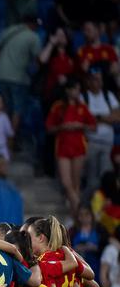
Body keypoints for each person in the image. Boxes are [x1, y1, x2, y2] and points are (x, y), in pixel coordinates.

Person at [46, 79, 97, 214]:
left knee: (76, 184)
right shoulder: (58, 106)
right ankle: (82, 212)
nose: (77, 92)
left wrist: (81, 126)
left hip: (79, 147)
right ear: (68, 90)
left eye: (78, 89)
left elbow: (93, 126)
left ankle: (76, 216)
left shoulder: (82, 106)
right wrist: (62, 127)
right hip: (63, 147)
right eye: (75, 89)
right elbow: (49, 128)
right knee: (66, 183)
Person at [0, 15, 42, 134]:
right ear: (33, 24)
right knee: (17, 109)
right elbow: (39, 60)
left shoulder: (10, 30)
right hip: (19, 78)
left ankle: (1, 136)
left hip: (1, 74)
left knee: (4, 107)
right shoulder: (33, 36)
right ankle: (11, 139)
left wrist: (0, 62)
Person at [84, 69, 120, 191]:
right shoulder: (83, 97)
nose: (98, 82)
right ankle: (87, 207)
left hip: (107, 144)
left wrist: (98, 117)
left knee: (106, 178)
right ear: (88, 81)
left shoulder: (108, 95)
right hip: (91, 143)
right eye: (95, 79)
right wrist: (106, 117)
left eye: (100, 79)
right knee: (92, 180)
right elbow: (86, 119)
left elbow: (117, 117)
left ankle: (103, 208)